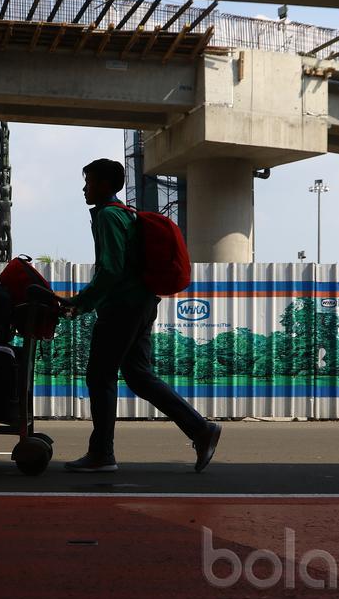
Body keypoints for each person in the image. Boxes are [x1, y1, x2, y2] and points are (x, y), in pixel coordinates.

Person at [59, 158, 221, 473]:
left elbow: (111, 268)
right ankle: (200, 430)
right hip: (142, 304)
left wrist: (82, 302)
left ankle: (102, 454)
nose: (84, 188)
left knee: (100, 376)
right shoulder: (126, 214)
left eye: (89, 182)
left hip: (122, 306)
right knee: (138, 376)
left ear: (105, 185)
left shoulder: (108, 215)